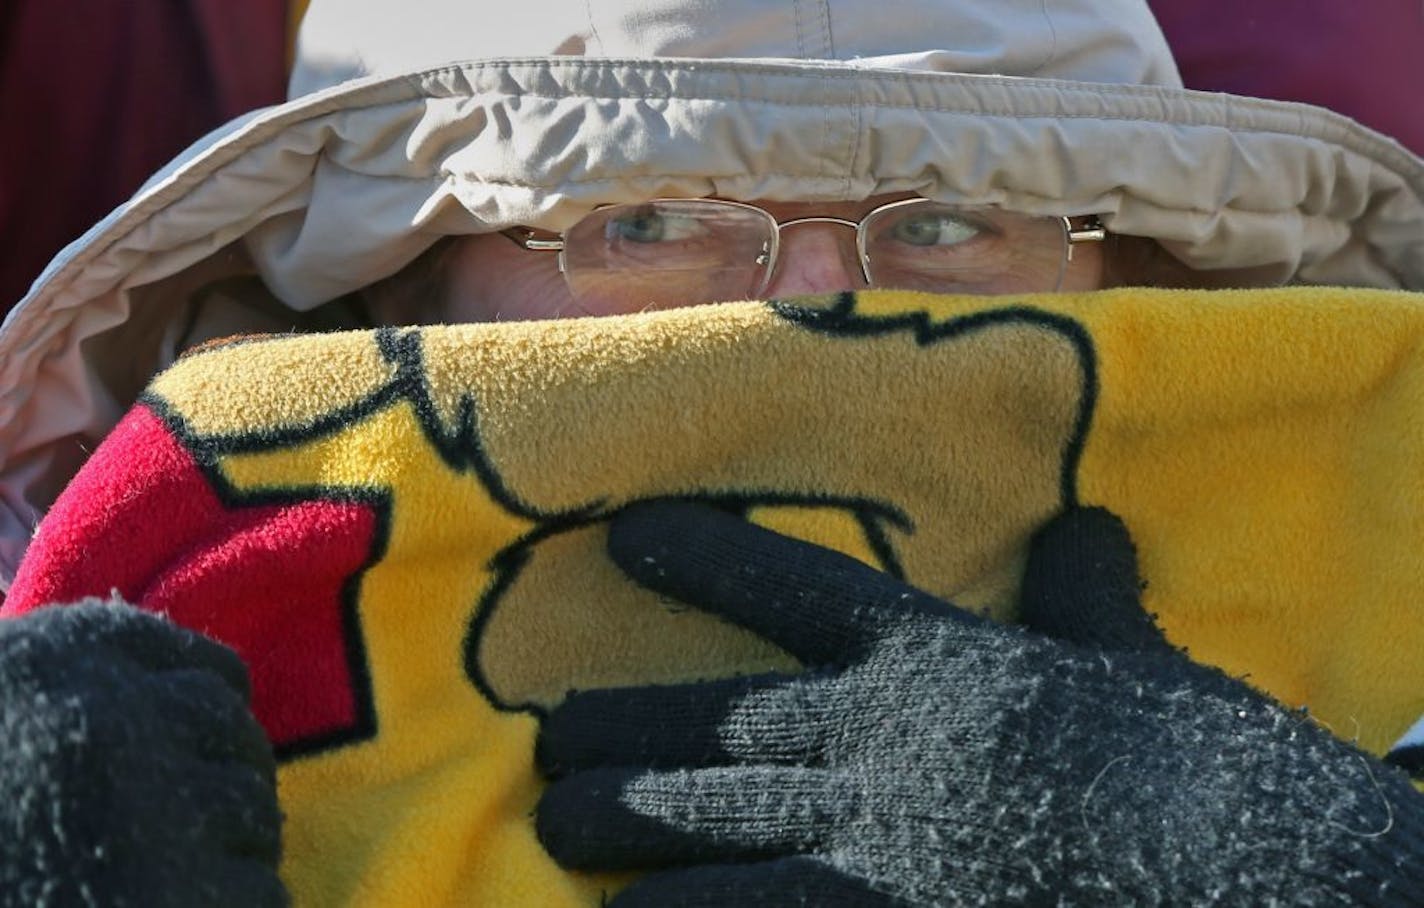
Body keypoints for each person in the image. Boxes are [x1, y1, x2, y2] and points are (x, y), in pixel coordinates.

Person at [1, 0, 1423, 905]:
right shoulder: (102, 731)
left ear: (1146, 292)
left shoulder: (1388, 645)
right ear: (395, 298)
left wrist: (1317, 865)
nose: (815, 308)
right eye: (649, 224)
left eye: (943, 227)